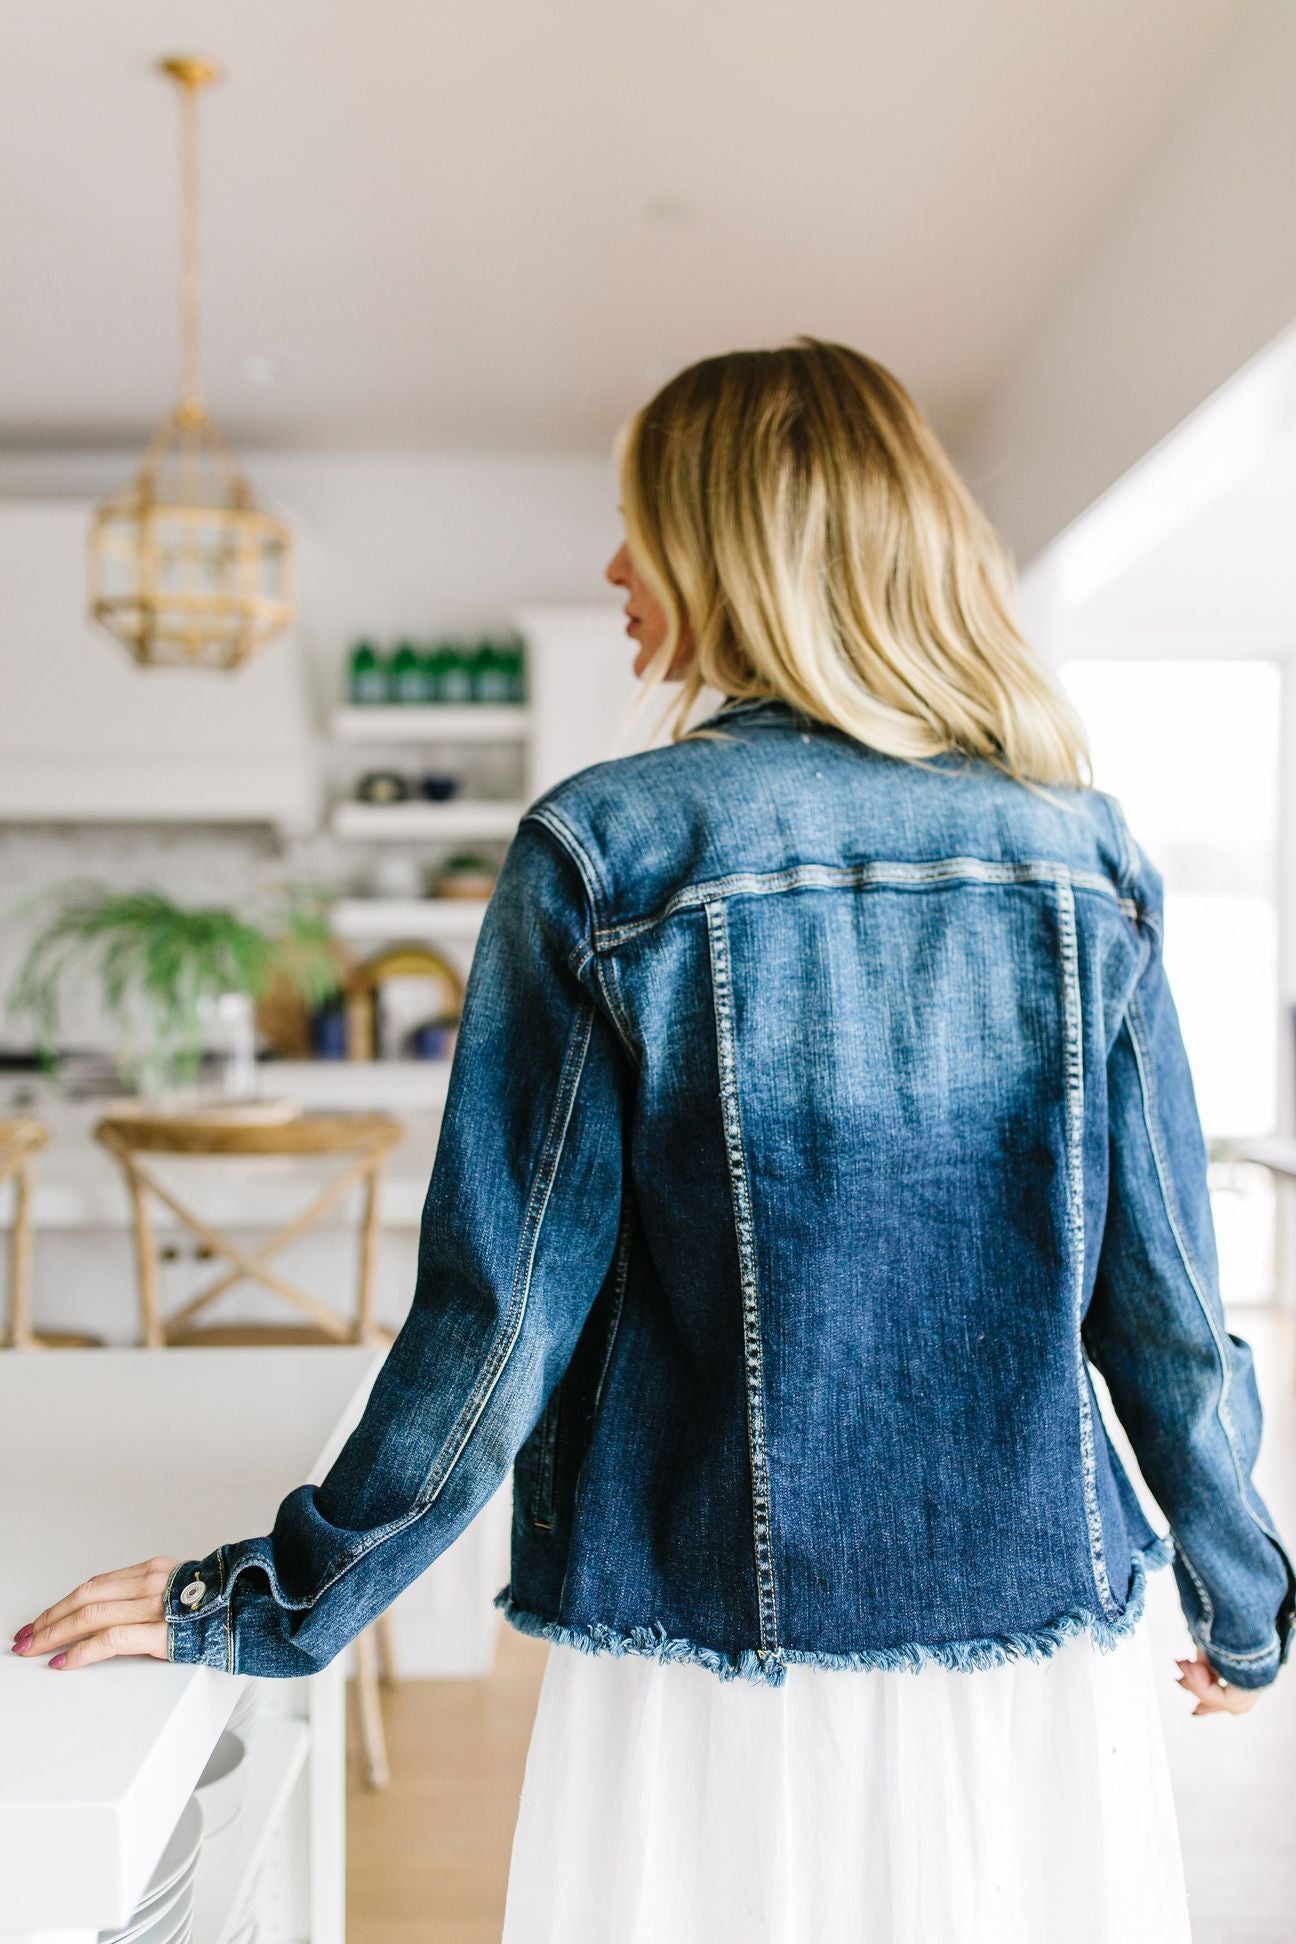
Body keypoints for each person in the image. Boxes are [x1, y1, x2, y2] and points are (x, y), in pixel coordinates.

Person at [15, 340, 1294, 1943]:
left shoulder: (607, 850)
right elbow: (1168, 1298)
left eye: (645, 527)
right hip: (1031, 1658)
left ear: (737, 550)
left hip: (704, 1650)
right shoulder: (1080, 855)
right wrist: (1244, 1603)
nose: (616, 569)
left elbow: (497, 1329)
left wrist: (275, 1600)